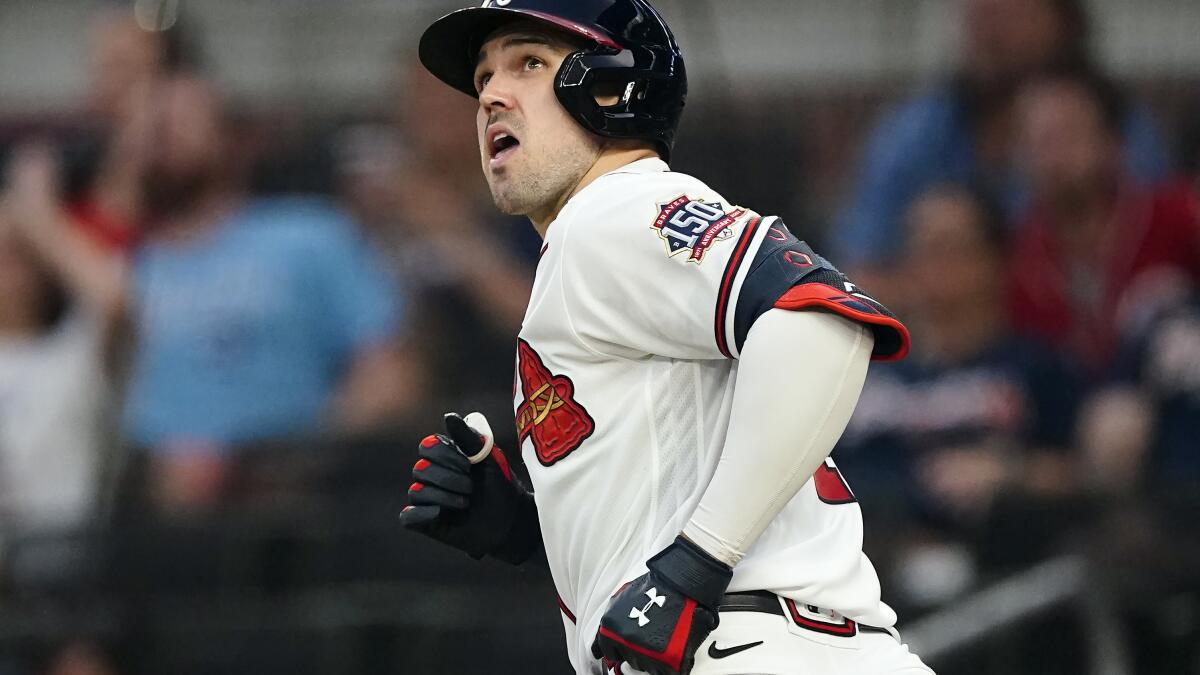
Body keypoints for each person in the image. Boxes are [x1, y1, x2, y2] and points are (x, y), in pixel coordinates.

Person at [399, 2, 931, 674]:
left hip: (758, 647)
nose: (491, 97)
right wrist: (531, 529)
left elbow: (821, 321)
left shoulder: (614, 209)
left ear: (612, 84)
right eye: (482, 79)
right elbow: (671, 473)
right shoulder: (591, 246)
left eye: (527, 63)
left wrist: (696, 562)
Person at [7, 76, 421, 512]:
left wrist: (291, 458)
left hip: (289, 497)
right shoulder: (123, 262)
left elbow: (390, 373)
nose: (161, 136)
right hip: (143, 507)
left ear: (232, 140)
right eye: (147, 128)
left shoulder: (308, 234)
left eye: (181, 121)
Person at [836, 185, 1084, 606]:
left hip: (995, 591)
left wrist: (1011, 472)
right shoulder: (860, 373)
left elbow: (1083, 473)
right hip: (866, 578)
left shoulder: (1035, 368)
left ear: (994, 260)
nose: (929, 262)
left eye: (947, 246)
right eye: (919, 247)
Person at [834, 0, 1170, 286]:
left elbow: (1147, 257)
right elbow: (857, 271)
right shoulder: (917, 131)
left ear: (1061, 18)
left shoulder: (1122, 129)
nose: (989, 20)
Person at [1006, 67, 1200, 371]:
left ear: (1113, 142)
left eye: (1068, 135)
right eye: (1039, 141)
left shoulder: (1179, 215)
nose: (1053, 157)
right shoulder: (1017, 259)